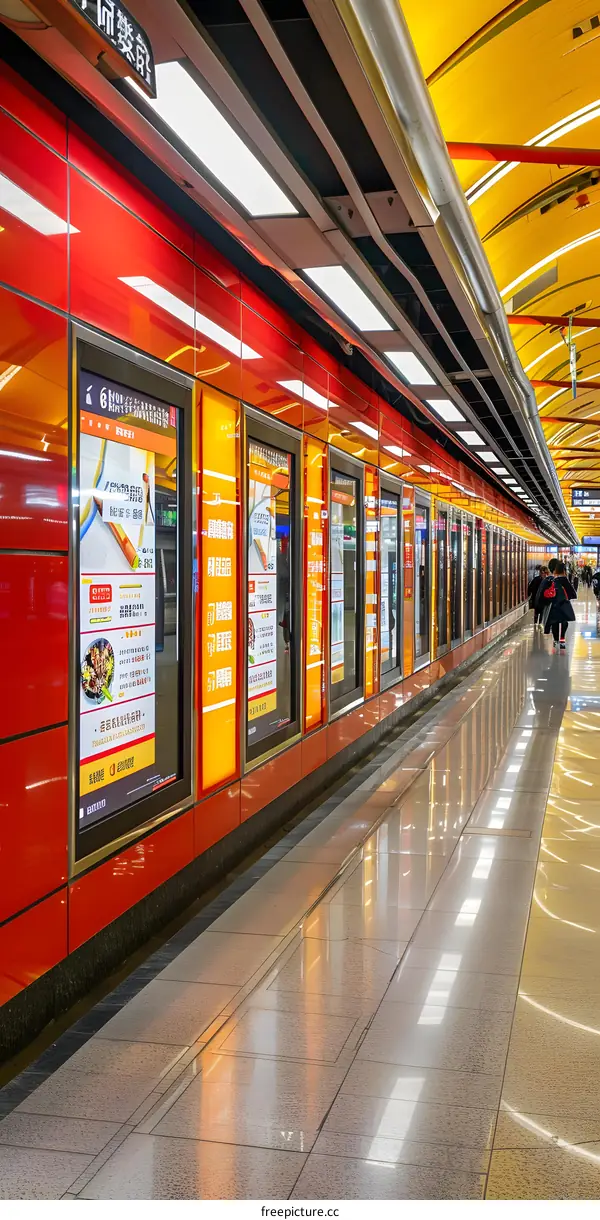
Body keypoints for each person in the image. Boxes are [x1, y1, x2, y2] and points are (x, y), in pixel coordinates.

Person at [535, 560, 577, 650]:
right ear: (564, 571)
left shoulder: (550, 580)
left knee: (555, 622)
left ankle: (555, 640)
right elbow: (573, 593)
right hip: (564, 605)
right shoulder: (564, 580)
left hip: (554, 605)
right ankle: (562, 639)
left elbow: (543, 594)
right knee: (564, 622)